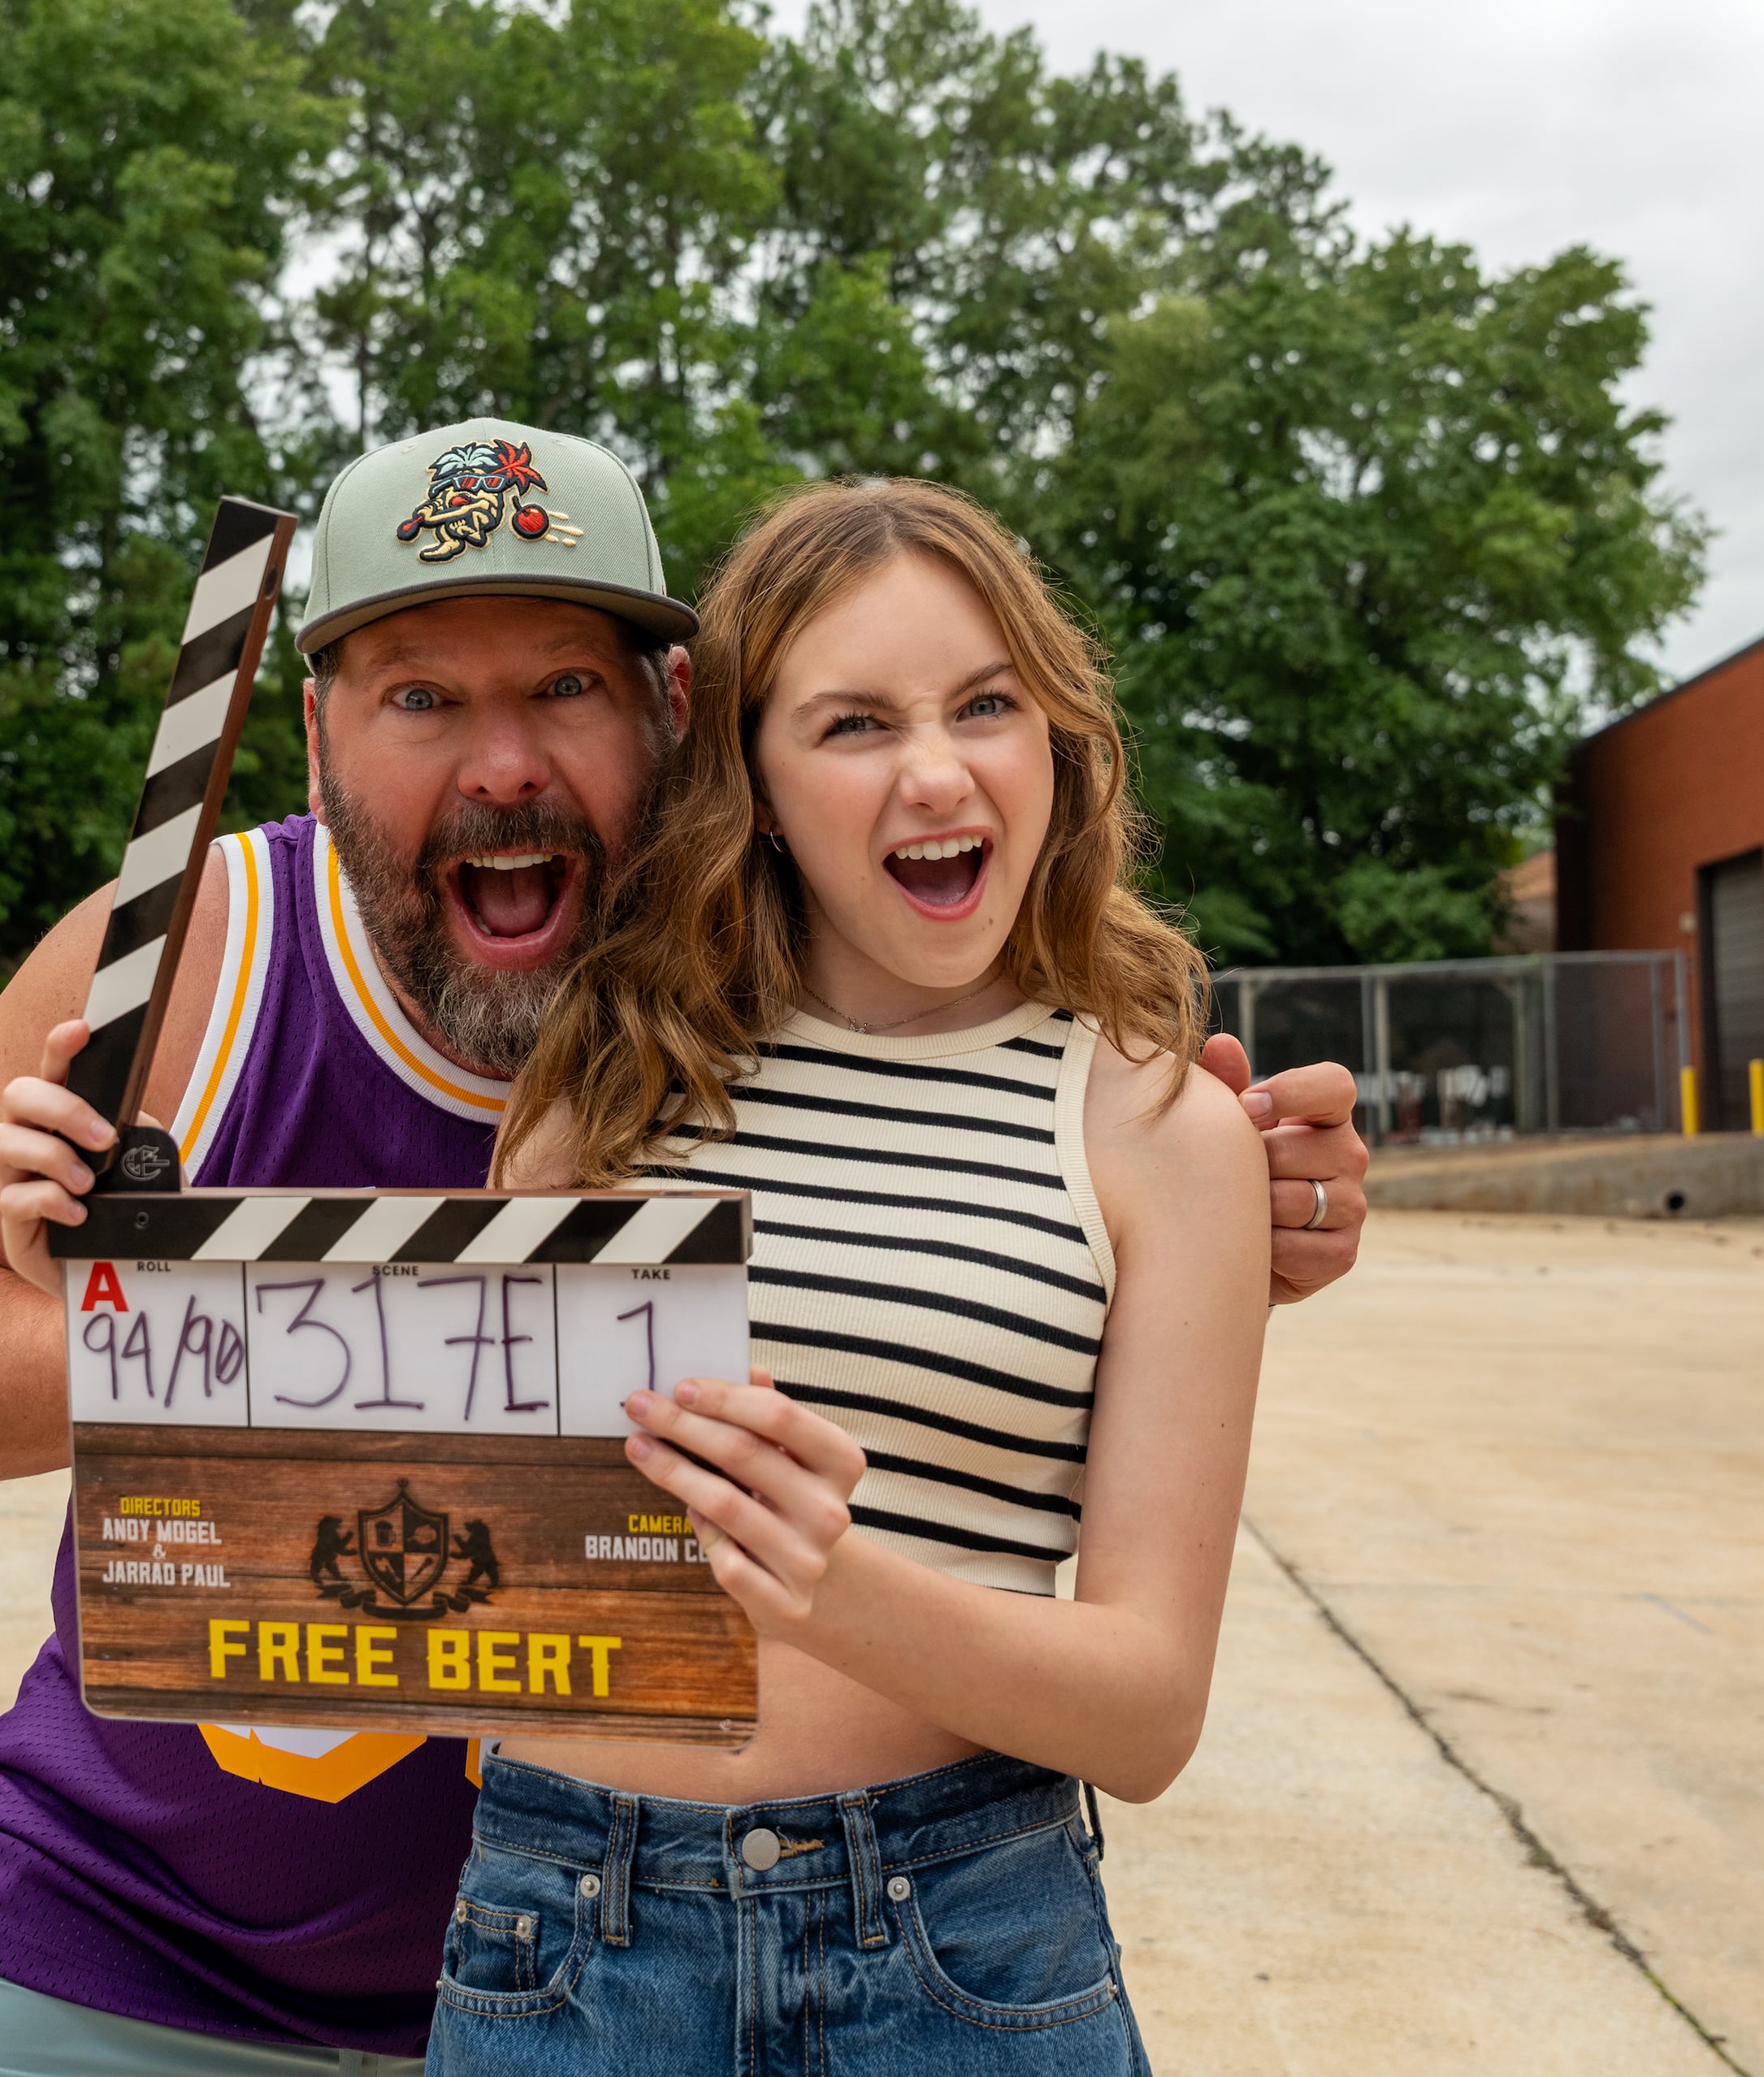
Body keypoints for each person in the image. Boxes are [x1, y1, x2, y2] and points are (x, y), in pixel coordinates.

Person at [0, 418, 1372, 2076]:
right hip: (142, 1921)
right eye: (419, 696)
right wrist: (131, 1332)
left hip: (699, 1944)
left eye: (563, 688)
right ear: (316, 733)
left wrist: (1216, 1201)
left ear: (679, 726)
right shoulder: (210, 957)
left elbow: (1016, 1241)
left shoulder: (724, 1049)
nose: (503, 767)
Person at [418, 476, 1263, 2070]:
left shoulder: (1159, 1127)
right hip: (566, 1940)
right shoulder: (594, 1084)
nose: (938, 772)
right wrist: (110, 1256)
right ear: (753, 776)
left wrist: (831, 1585)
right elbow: (440, 1548)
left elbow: (1149, 1712)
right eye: (855, 724)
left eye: (986, 704)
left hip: (964, 1940)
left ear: (1059, 737)